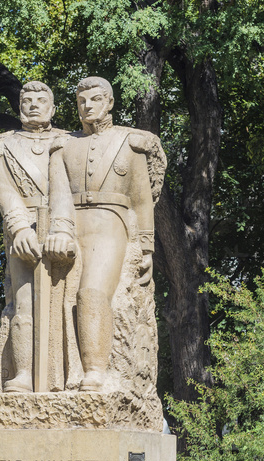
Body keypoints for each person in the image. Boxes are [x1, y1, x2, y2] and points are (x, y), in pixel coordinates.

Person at [44, 76, 166, 391]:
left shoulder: (129, 142)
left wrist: (146, 248)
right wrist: (60, 229)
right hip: (73, 224)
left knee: (92, 292)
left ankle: (95, 371)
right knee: (62, 298)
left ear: (109, 102)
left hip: (112, 223)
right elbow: (58, 193)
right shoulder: (63, 146)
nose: (88, 106)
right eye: (81, 101)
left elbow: (141, 199)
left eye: (95, 99)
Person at [0, 81, 68, 392]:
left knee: (67, 302)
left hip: (64, 225)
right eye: (27, 100)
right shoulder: (2, 144)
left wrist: (63, 227)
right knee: (24, 302)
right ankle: (23, 373)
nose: (34, 105)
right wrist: (19, 228)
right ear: (19, 107)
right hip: (22, 229)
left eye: (41, 100)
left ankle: (66, 376)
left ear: (53, 108)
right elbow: (5, 191)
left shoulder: (69, 141)